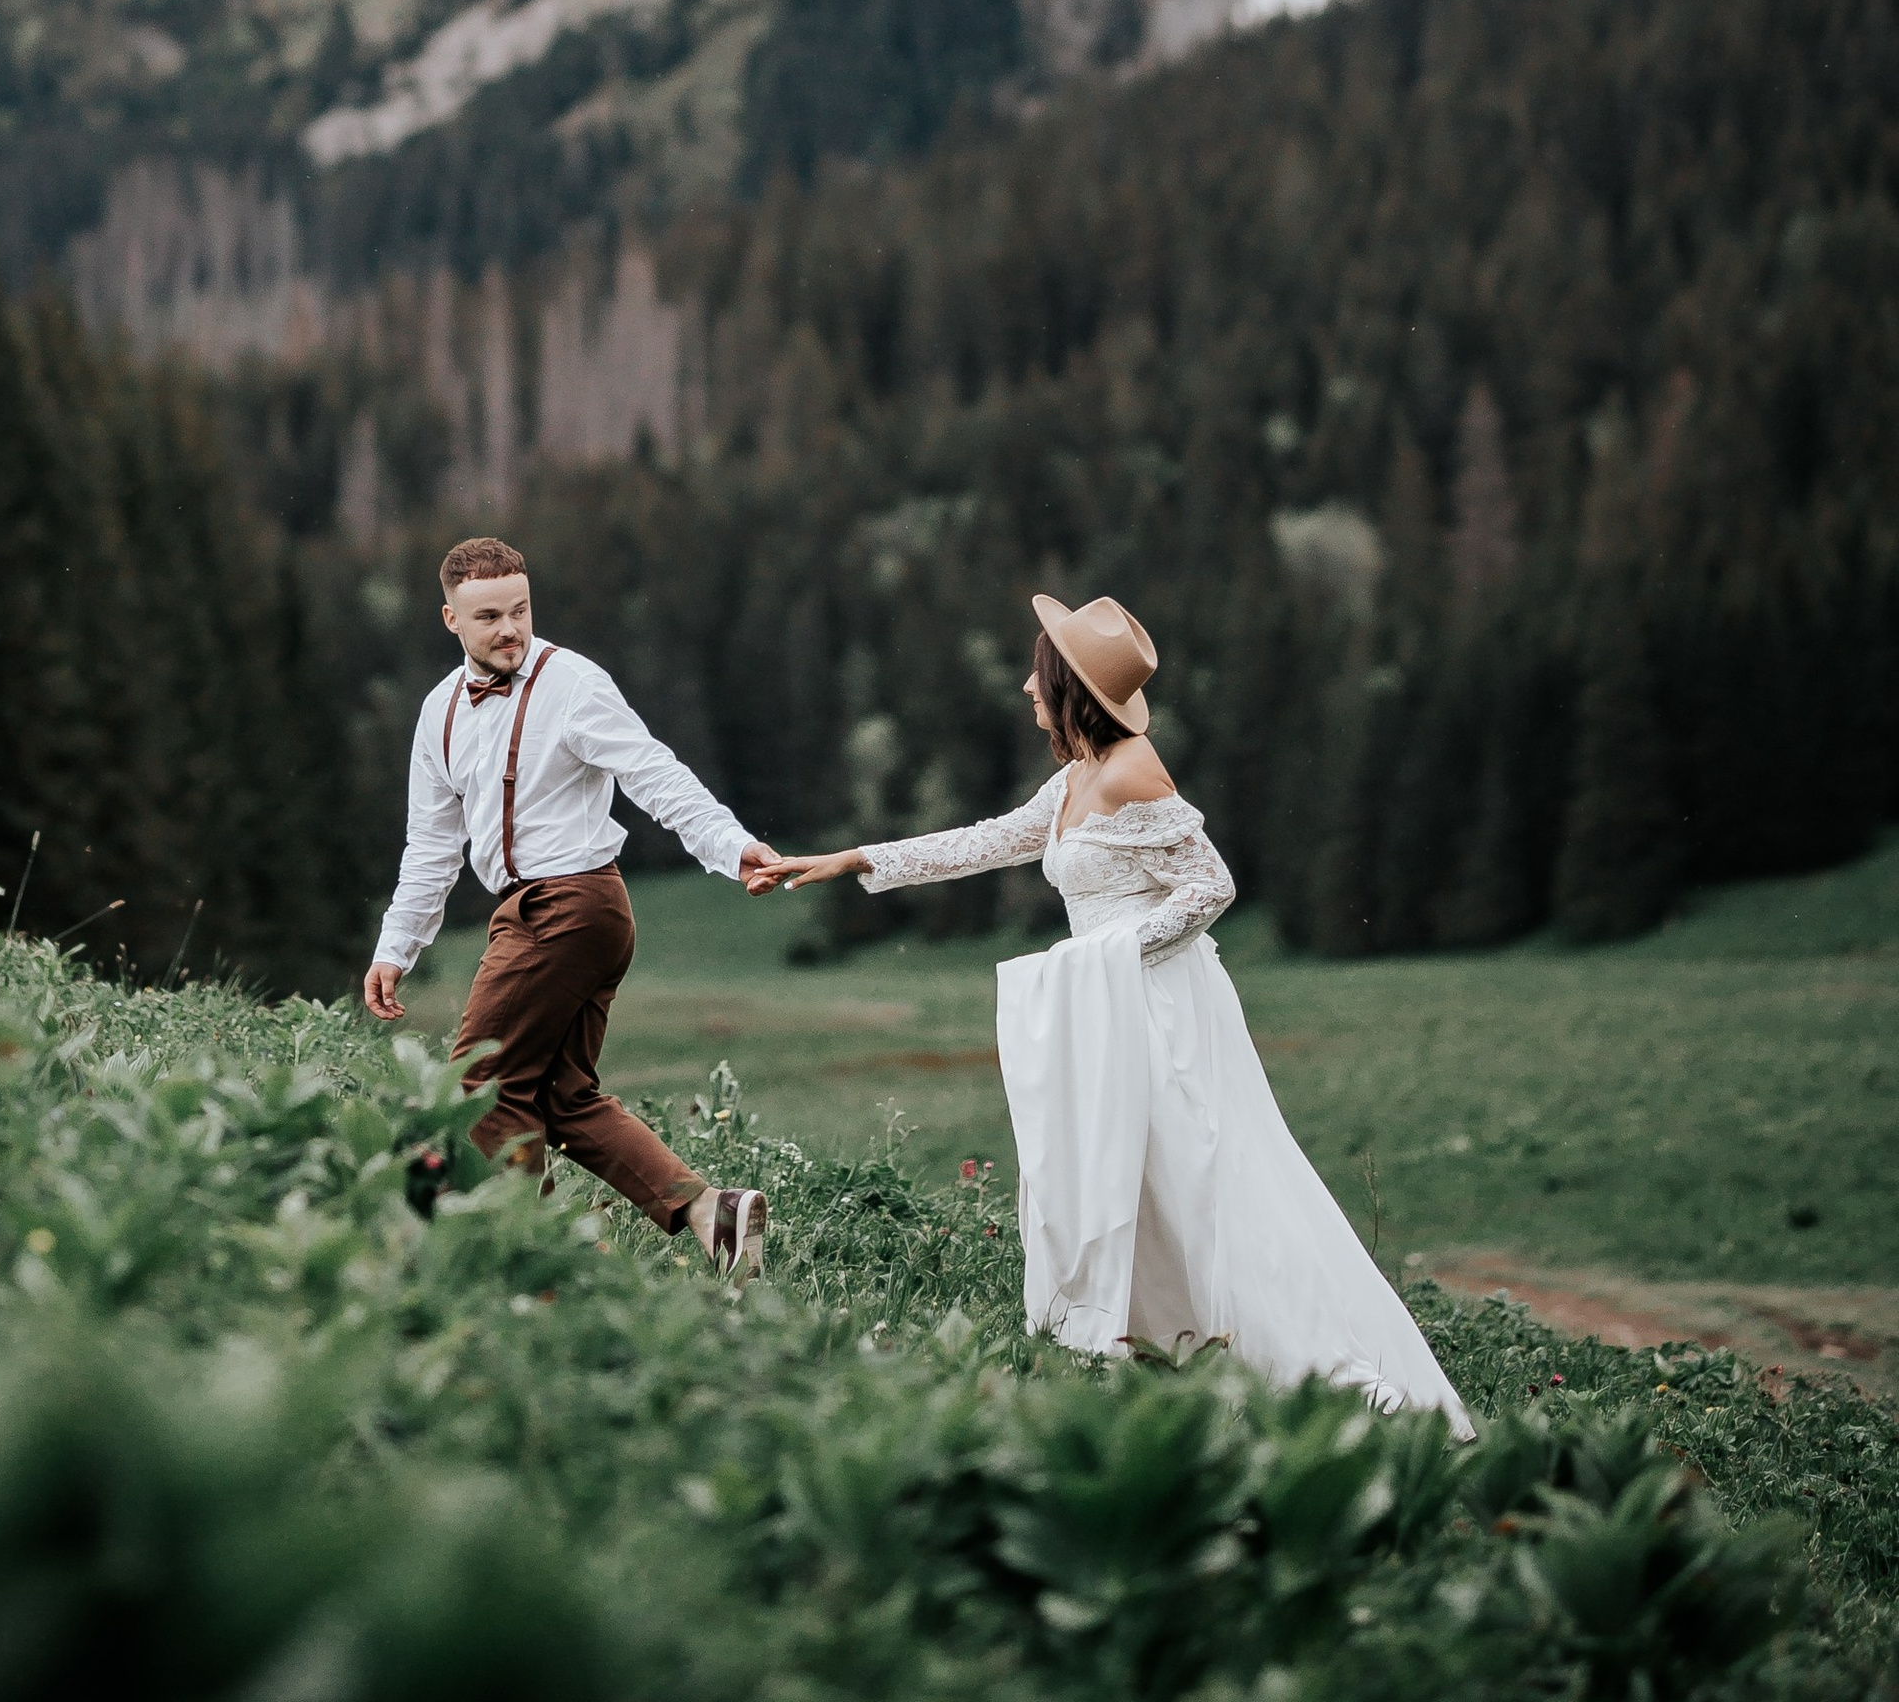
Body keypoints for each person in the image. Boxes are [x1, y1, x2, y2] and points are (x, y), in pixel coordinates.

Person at [767, 591, 1470, 1430]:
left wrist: (1106, 958)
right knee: (1143, 1181)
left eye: (1037, 675)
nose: (1027, 689)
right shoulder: (1076, 779)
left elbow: (1213, 886)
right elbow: (984, 841)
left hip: (1162, 1010)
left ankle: (1301, 1368)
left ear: (1067, 686)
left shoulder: (1135, 769)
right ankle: (1168, 1348)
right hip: (1109, 1013)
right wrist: (850, 859)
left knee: (1202, 1181)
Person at [364, 534, 779, 1274]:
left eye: (519, 609)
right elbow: (431, 844)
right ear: (450, 619)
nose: (509, 629)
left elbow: (654, 772)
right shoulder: (440, 712)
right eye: (488, 615)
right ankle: (709, 1211)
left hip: (568, 906)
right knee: (558, 1094)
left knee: (475, 1085)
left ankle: (532, 1256)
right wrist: (396, 947)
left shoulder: (573, 683)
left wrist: (730, 843)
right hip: (546, 912)